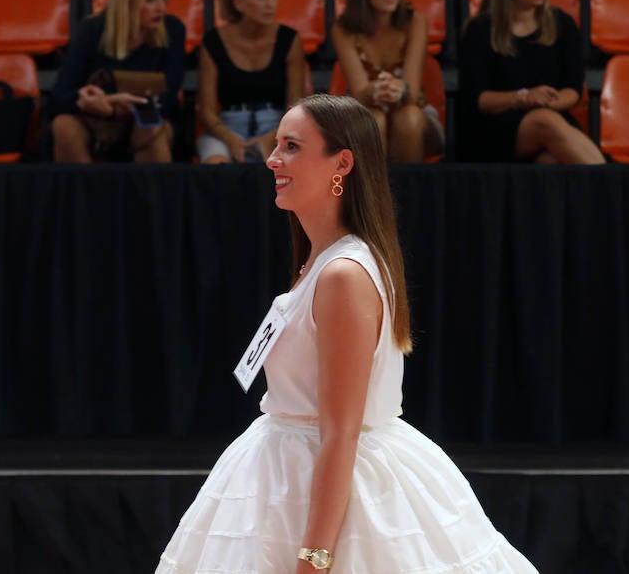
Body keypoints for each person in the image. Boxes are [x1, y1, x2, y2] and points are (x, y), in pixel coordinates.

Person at [156, 94, 539, 574]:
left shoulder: (343, 274)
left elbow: (341, 432)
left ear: (341, 163)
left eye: (291, 146)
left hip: (333, 480)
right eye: (277, 145)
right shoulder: (322, 261)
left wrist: (314, 558)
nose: (273, 159)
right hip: (286, 470)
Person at [457, 0, 604, 164]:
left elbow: (572, 89)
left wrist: (547, 103)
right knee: (543, 121)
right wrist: (523, 98)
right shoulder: (479, 29)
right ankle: (614, 190)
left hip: (551, 120)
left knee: (549, 159)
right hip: (493, 129)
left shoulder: (562, 23)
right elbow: (479, 99)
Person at [50, 0, 184, 163]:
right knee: (64, 126)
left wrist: (122, 108)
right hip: (97, 119)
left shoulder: (173, 29)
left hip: (148, 116)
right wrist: (98, 104)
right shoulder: (92, 30)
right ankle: (83, 194)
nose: (162, 8)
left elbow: (170, 96)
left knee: (149, 124)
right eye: (151, 0)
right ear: (127, 2)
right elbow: (60, 96)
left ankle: (152, 194)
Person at [331, 0, 444, 162]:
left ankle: (407, 194)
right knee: (373, 119)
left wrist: (399, 90)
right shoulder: (343, 28)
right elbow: (359, 92)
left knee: (408, 119)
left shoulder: (416, 22)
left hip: (414, 111)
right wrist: (376, 90)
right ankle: (373, 195)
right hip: (365, 109)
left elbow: (412, 94)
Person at [197, 0, 306, 163]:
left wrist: (272, 138)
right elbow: (207, 111)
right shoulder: (213, 42)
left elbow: (295, 108)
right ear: (239, 3)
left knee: (292, 158)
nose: (271, 4)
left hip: (278, 125)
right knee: (214, 161)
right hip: (227, 126)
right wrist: (231, 140)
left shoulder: (289, 39)